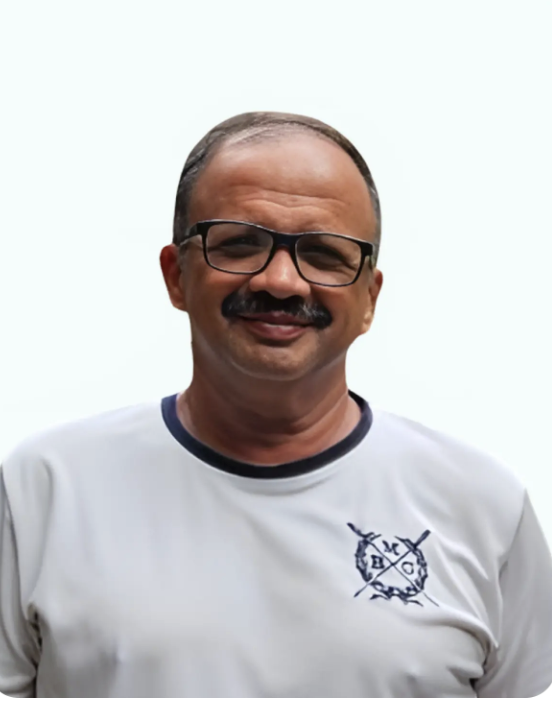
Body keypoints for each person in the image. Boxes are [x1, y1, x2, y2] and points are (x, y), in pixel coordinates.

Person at [1, 111, 551, 699]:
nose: (282, 281)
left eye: (324, 253)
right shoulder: (43, 491)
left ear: (369, 298)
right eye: (240, 244)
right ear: (176, 275)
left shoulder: (483, 506)